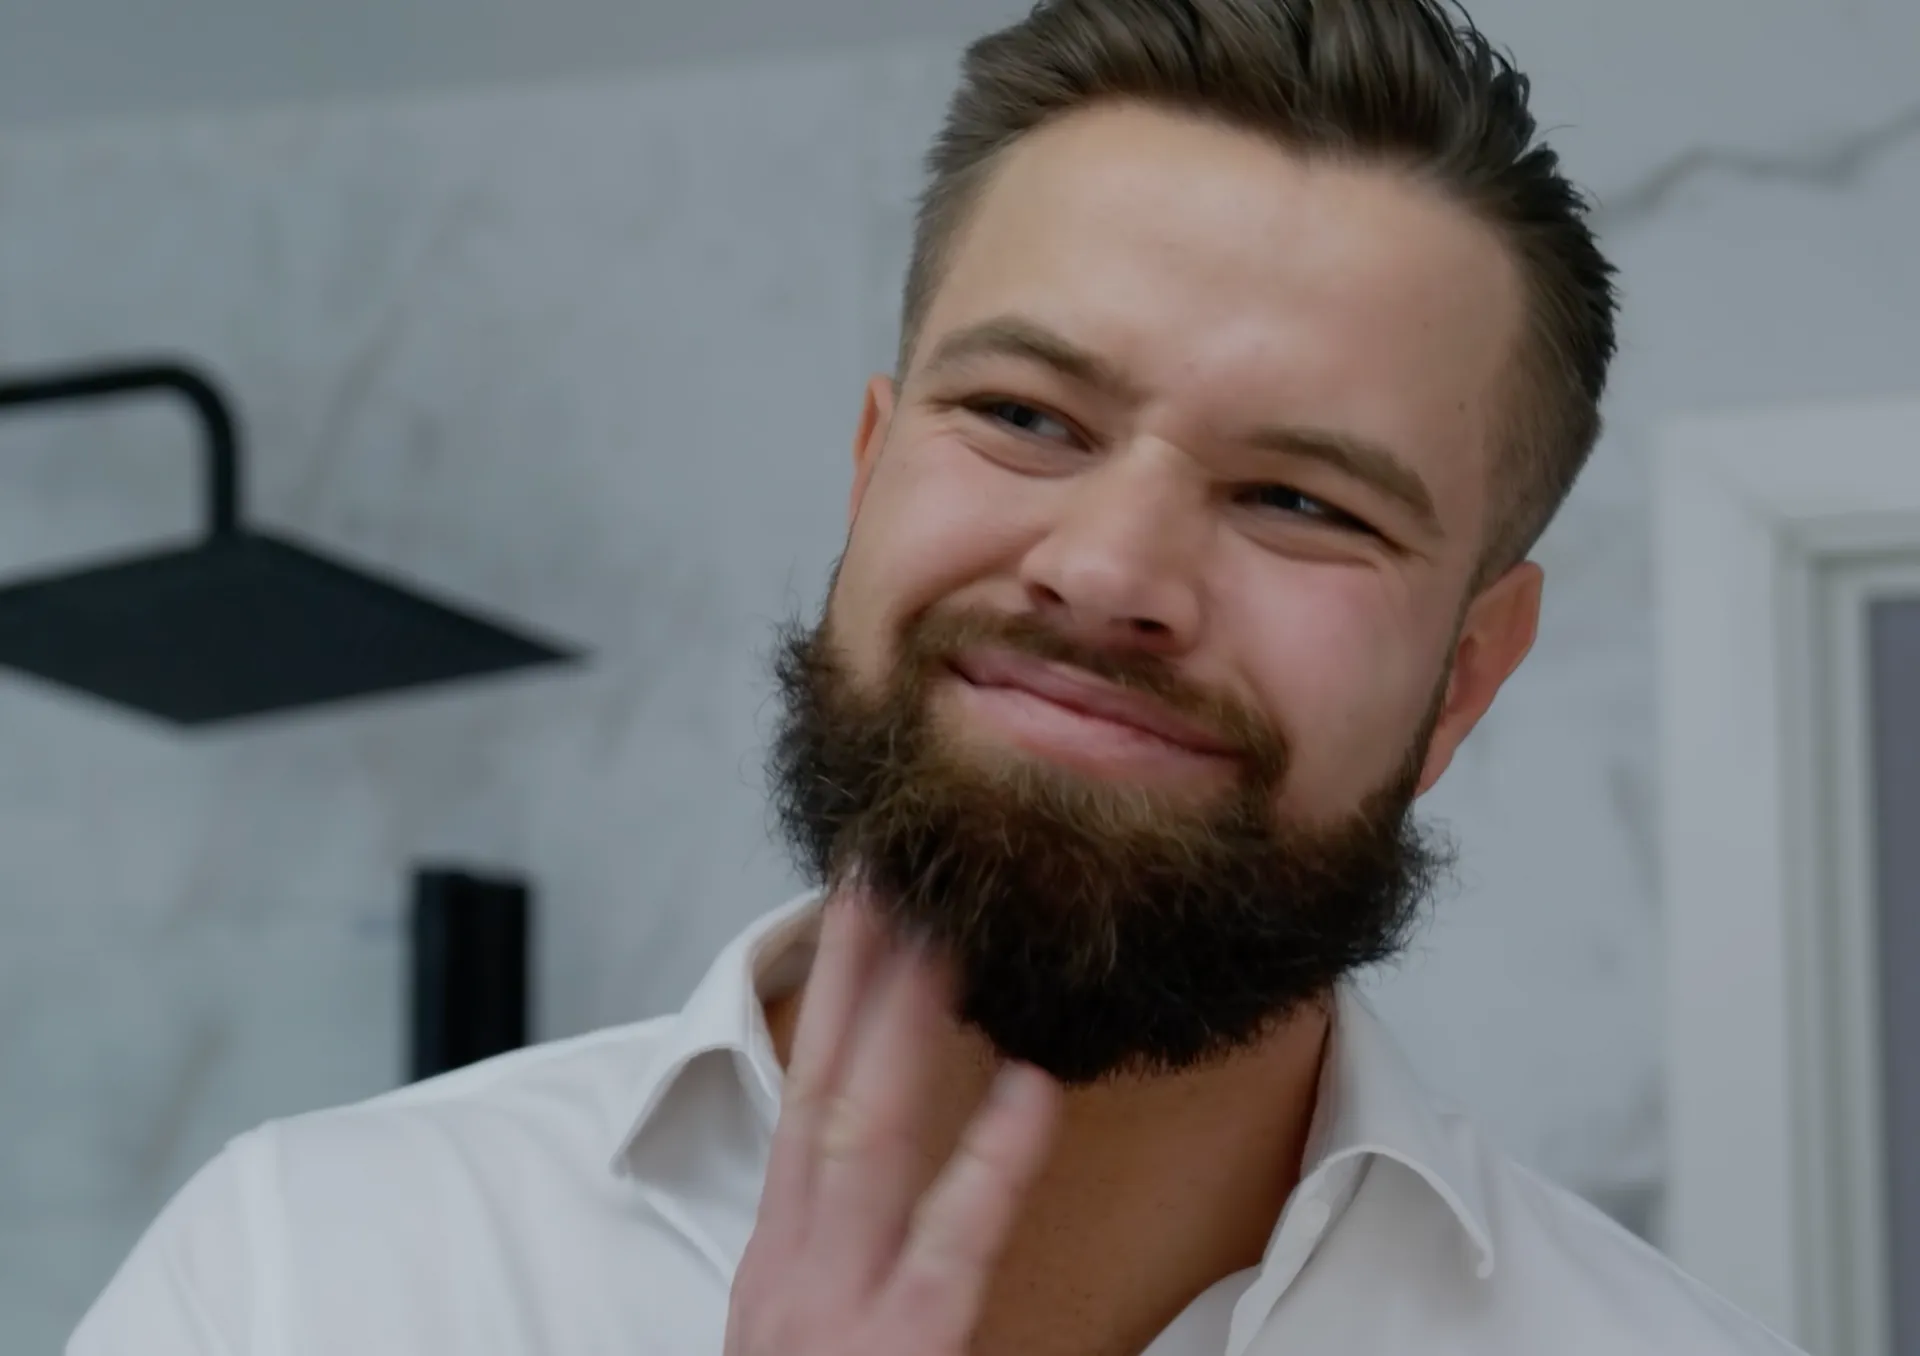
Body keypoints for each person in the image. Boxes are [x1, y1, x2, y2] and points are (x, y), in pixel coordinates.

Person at [71, 2, 1806, 1353]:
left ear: (1467, 676)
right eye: (1026, 416)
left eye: (1300, 500)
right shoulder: (302, 1277)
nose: (1110, 573)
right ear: (870, 474)